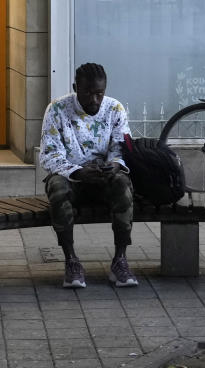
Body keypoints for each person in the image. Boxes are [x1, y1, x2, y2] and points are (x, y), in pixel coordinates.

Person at [39, 62, 137, 288]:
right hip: (73, 178)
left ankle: (120, 259)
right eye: (88, 93)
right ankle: (71, 261)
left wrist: (114, 165)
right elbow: (49, 155)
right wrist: (79, 172)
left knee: (123, 183)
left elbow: (122, 149)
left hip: (105, 178)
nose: (94, 100)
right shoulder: (56, 110)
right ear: (76, 87)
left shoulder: (115, 109)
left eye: (99, 94)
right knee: (57, 187)